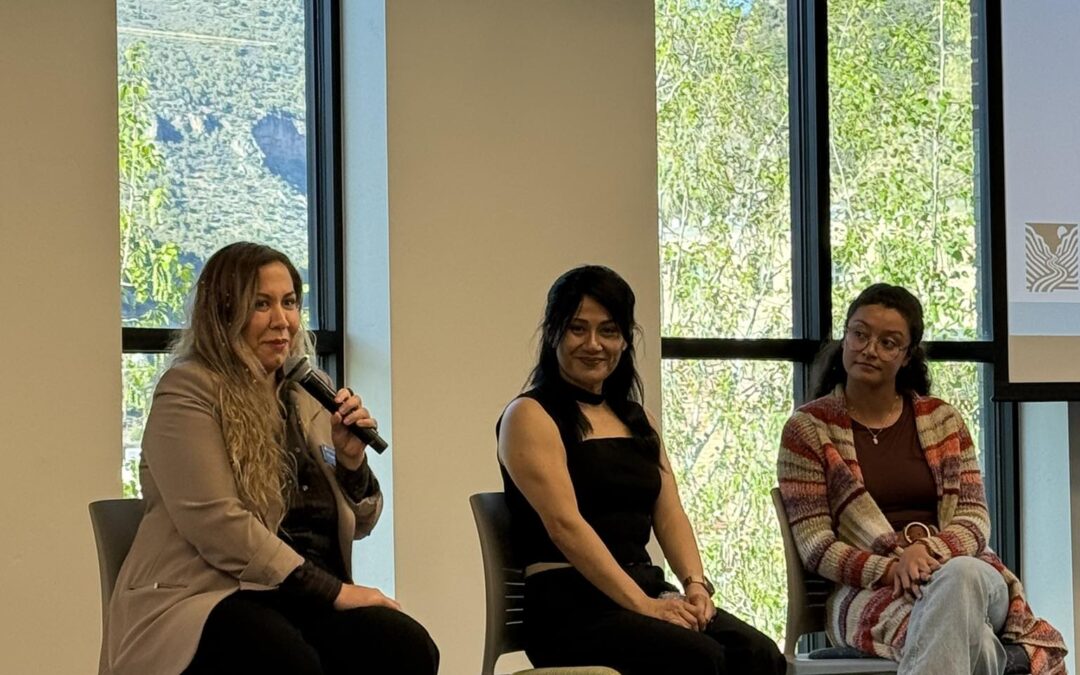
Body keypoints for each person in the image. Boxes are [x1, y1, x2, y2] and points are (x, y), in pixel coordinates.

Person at [101, 242, 439, 675]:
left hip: (295, 599)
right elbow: (219, 525)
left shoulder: (304, 392)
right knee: (286, 662)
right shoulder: (187, 390)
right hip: (206, 597)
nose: (282, 321)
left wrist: (352, 464)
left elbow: (363, 524)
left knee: (406, 647)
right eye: (261, 304)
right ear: (223, 312)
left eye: (290, 303)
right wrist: (334, 592)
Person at [497, 265, 785, 675]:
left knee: (757, 653)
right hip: (569, 606)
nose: (593, 344)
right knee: (699, 658)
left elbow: (670, 514)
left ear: (626, 339)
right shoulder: (529, 415)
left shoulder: (639, 419)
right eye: (578, 329)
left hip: (645, 588)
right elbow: (564, 525)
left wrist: (695, 586)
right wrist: (643, 605)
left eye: (609, 331)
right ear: (553, 333)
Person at [777, 283, 1067, 675]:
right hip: (868, 591)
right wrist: (892, 568)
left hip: (969, 572)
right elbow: (816, 545)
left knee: (960, 577)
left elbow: (974, 519)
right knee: (974, 641)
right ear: (844, 338)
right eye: (859, 334)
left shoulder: (943, 420)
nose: (869, 348)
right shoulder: (808, 430)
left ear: (907, 355)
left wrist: (926, 554)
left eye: (888, 342)